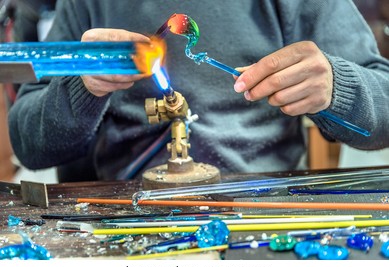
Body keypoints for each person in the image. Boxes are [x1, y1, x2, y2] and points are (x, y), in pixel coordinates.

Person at [8, 0, 389, 183]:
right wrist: (83, 88)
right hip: (122, 217)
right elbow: (28, 144)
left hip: (256, 215)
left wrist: (338, 89)